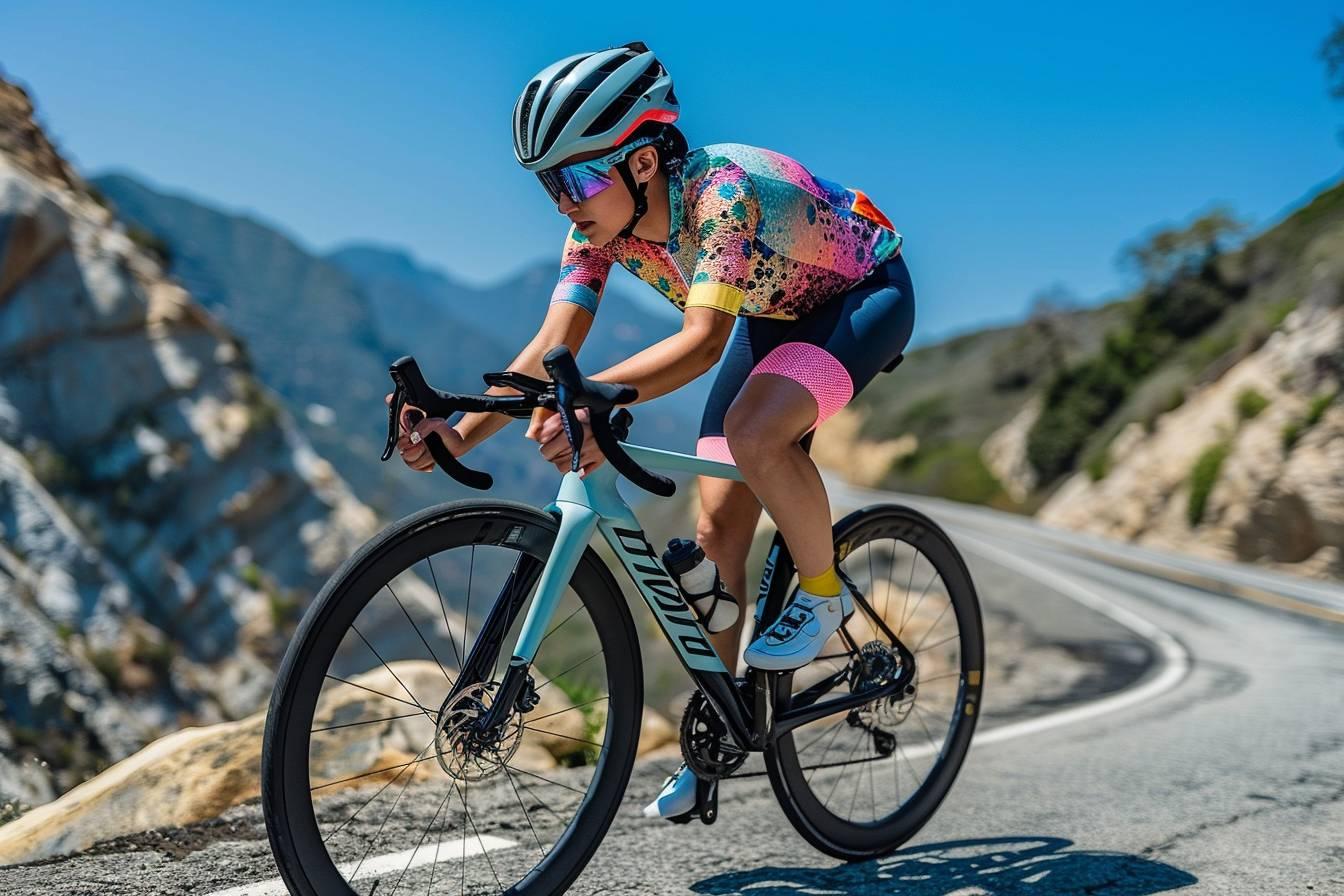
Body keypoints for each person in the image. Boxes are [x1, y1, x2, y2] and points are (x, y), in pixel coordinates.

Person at [391, 41, 915, 822]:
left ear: (641, 161)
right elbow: (548, 346)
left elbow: (703, 342)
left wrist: (600, 399)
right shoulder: (596, 230)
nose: (563, 202)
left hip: (862, 295)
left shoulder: (722, 196)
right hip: (769, 314)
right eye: (548, 184)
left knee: (756, 433)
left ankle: (825, 595)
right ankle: (721, 740)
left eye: (576, 177)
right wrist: (459, 435)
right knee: (713, 529)